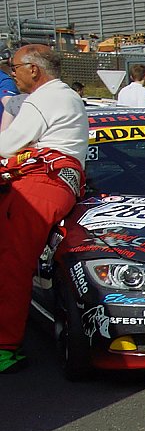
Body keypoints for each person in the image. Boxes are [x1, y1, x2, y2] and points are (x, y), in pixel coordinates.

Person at [0, 45, 88, 374]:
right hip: (57, 184)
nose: (12, 73)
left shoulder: (43, 98)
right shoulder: (66, 96)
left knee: (12, 265)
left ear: (34, 69)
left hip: (41, 184)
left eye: (15, 67)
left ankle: (5, 347)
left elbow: (6, 144)